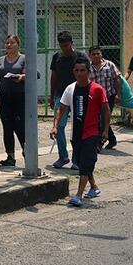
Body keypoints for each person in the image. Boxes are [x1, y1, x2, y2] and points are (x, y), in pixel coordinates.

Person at [54, 57, 109, 208]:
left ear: (88, 71)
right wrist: (55, 126)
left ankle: (78, 195)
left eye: (82, 70)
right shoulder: (70, 89)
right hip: (76, 134)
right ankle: (94, 187)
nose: (79, 73)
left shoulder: (97, 89)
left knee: (86, 162)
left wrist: (105, 131)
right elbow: (61, 109)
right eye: (77, 70)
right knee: (82, 162)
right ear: (73, 71)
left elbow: (105, 110)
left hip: (92, 133)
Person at [49, 31, 85, 166]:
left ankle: (77, 159)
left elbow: (88, 76)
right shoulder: (57, 57)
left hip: (78, 96)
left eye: (67, 45)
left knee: (78, 127)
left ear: (72, 43)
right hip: (61, 96)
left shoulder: (80, 57)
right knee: (58, 126)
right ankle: (63, 156)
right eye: (62, 46)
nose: (65, 49)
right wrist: (52, 97)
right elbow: (54, 77)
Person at [0, 35, 28, 166]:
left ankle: (28, 153)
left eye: (12, 43)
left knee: (20, 127)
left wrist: (21, 76)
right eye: (7, 43)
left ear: (18, 45)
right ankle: (10, 156)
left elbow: (35, 74)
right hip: (5, 97)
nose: (9, 45)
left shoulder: (24, 59)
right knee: (7, 126)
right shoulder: (0, 60)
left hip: (19, 96)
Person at [87, 45, 120, 149]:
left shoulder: (109, 65)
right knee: (101, 119)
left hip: (109, 96)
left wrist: (118, 95)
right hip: (94, 98)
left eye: (98, 53)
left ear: (101, 54)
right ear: (90, 56)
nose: (96, 56)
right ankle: (112, 139)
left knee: (102, 119)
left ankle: (99, 144)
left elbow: (116, 80)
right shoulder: (88, 68)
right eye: (93, 54)